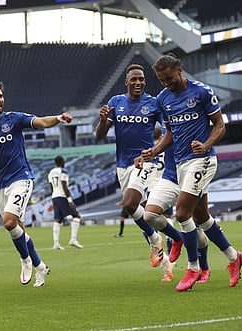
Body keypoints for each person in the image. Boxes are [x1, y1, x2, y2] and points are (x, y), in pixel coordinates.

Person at [141, 54, 242, 291]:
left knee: (182, 213)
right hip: (180, 165)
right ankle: (233, 257)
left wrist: (207, 144)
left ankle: (193, 268)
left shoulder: (201, 92)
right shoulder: (163, 99)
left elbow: (220, 125)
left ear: (180, 69)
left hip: (203, 160)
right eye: (161, 80)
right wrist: (155, 150)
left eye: (169, 78)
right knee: (198, 218)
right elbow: (170, 132)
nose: (166, 84)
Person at [0, 79, 72, 287]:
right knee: (17, 229)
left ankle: (25, 260)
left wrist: (58, 118)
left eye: (1, 96)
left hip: (21, 179)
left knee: (9, 222)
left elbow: (42, 122)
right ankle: (40, 267)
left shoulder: (14, 119)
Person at [95, 63, 179, 282]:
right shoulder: (116, 102)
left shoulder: (153, 103)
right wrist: (103, 120)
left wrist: (155, 152)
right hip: (122, 165)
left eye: (141, 79)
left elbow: (168, 131)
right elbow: (100, 135)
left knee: (130, 204)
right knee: (140, 211)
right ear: (127, 82)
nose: (138, 82)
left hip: (144, 163)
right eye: (134, 79)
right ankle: (165, 260)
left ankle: (157, 239)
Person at [137, 127, 211, 283]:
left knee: (196, 226)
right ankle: (175, 259)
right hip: (165, 185)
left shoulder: (188, 131)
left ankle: (203, 267)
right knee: (153, 219)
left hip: (189, 182)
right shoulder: (155, 147)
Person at [48, 155, 83, 249]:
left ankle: (56, 243)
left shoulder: (51, 172)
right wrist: (70, 200)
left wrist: (54, 196)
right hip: (62, 196)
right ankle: (73, 239)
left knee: (58, 220)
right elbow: (64, 186)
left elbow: (51, 186)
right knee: (76, 216)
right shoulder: (63, 172)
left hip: (55, 196)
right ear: (62, 162)